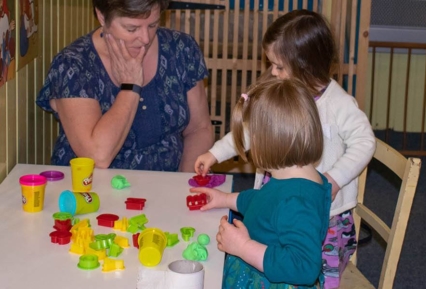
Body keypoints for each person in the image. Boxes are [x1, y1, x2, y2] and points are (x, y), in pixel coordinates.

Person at [194, 9, 375, 288]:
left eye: (279, 66)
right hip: (279, 195)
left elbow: (365, 142)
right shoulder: (282, 94)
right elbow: (249, 132)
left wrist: (335, 178)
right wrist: (215, 153)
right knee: (275, 246)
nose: (273, 73)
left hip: (323, 214)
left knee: (309, 269)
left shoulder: (338, 103)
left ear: (305, 65)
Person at [36, 0, 213, 172]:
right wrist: (130, 86)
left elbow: (199, 128)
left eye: (152, 25)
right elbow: (97, 157)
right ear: (102, 16)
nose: (145, 38)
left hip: (169, 185)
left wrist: (185, 185)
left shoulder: (181, 48)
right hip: (93, 193)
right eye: (132, 28)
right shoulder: (74, 65)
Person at [192, 78, 331, 287]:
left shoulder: (297, 201)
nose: (251, 147)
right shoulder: (290, 176)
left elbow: (305, 267)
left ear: (274, 142)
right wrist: (226, 199)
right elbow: (264, 202)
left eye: (253, 138)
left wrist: (244, 247)